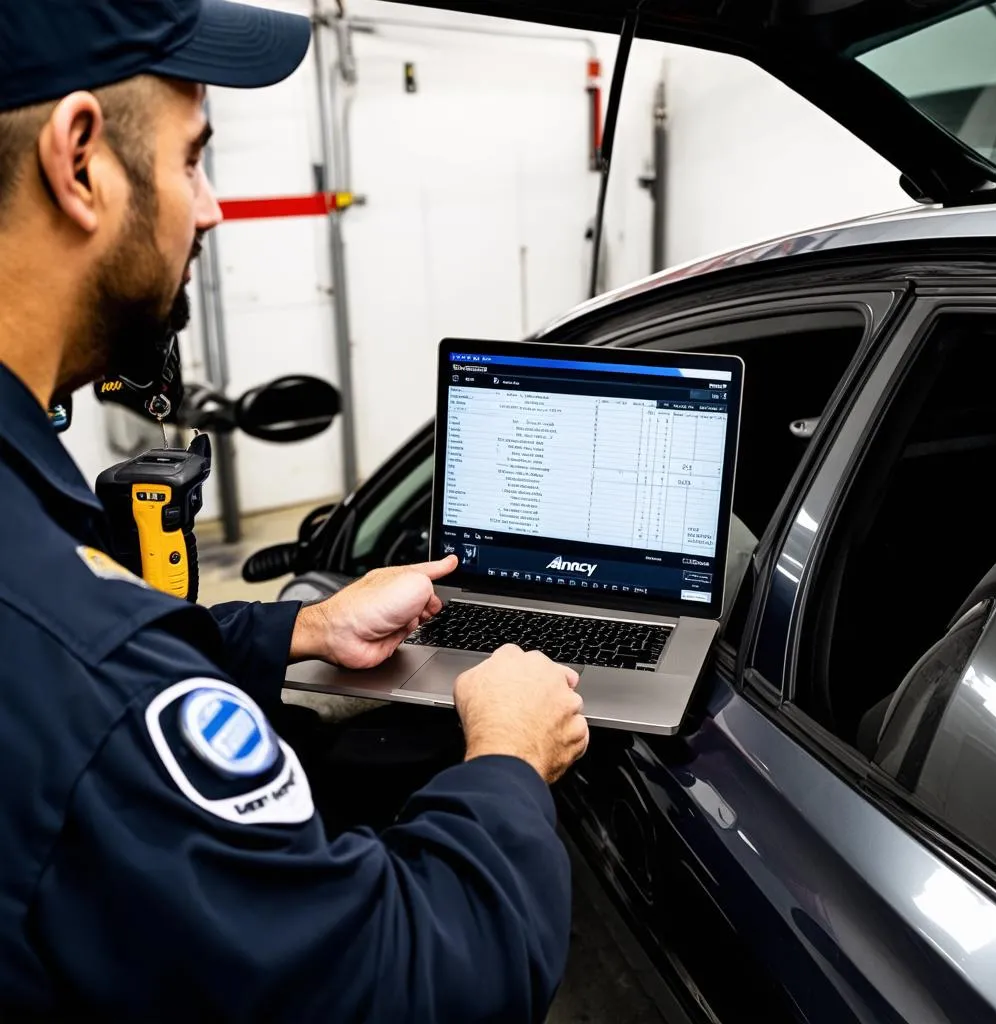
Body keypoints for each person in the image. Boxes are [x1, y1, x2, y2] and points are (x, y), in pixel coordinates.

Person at [0, 1, 589, 1019]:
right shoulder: (84, 660)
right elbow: (408, 985)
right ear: (79, 160)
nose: (213, 208)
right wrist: (504, 757)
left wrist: (304, 626)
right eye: (194, 160)